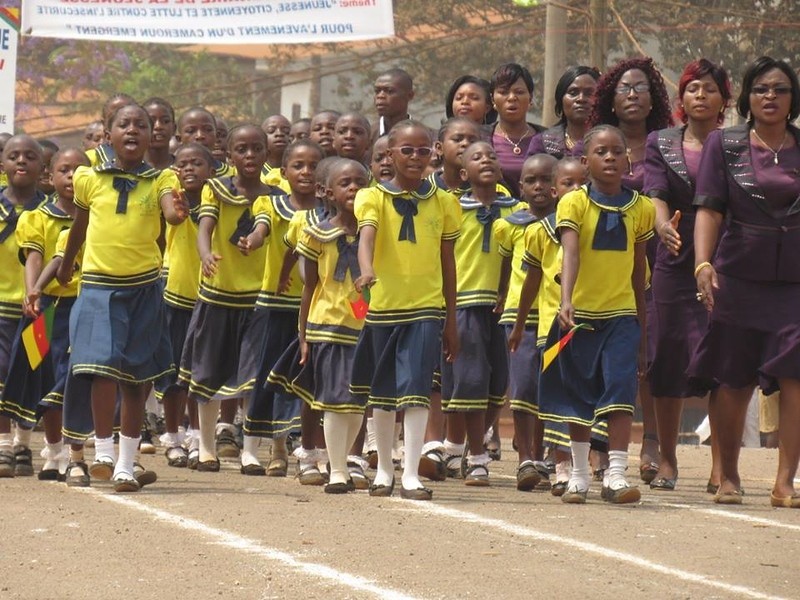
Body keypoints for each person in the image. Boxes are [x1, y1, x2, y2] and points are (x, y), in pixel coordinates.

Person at [689, 56, 800, 508]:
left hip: (794, 285)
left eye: (779, 89)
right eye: (760, 89)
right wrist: (702, 263)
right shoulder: (726, 144)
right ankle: (729, 475)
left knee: (796, 377)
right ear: (747, 98)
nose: (770, 97)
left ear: (793, 99)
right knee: (732, 380)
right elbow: (710, 207)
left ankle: (785, 482)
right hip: (737, 277)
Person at [56, 104, 173, 493]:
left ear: (154, 135)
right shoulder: (89, 178)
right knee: (101, 365)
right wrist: (67, 263)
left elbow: (170, 215)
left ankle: (126, 463)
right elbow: (80, 225)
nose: (134, 130)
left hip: (143, 287)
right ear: (108, 134)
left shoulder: (161, 179)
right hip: (98, 286)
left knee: (136, 378)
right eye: (124, 124)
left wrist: (177, 211)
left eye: (142, 124)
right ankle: (103, 452)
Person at [538, 125, 655, 505]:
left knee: (620, 391)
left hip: (621, 314)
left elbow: (639, 268)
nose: (609, 158)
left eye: (616, 151)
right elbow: (570, 252)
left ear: (628, 159)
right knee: (578, 395)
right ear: (586, 162)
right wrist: (566, 298)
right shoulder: (574, 203)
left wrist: (642, 321)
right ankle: (579, 474)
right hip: (580, 315)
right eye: (601, 152)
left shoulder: (642, 208)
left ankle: (617, 473)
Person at [351, 120, 460, 500]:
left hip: (426, 308)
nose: (415, 157)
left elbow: (449, 264)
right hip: (383, 307)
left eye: (423, 150)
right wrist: (367, 270)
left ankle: (411, 472)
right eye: (406, 150)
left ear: (434, 153)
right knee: (382, 392)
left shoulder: (445, 202)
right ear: (389, 155)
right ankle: (383, 469)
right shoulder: (371, 197)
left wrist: (451, 318)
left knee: (416, 388)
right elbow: (366, 238)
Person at [644, 58, 731, 492]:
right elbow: (656, 193)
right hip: (673, 263)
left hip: (726, 263)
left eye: (710, 88)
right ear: (681, 98)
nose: (701, 95)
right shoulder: (661, 142)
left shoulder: (736, 144)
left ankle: (721, 465)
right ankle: (667, 458)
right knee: (666, 356)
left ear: (724, 100)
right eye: (693, 88)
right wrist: (661, 225)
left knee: (719, 360)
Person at [589, 57, 673, 482]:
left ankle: (652, 439)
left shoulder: (666, 143)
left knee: (648, 351)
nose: (633, 95)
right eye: (624, 88)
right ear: (611, 98)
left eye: (641, 87)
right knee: (604, 353)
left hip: (658, 257)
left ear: (654, 96)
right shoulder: (597, 144)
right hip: (604, 264)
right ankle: (599, 441)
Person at [269, 159, 371, 493]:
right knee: (333, 399)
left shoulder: (376, 232)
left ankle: (344, 460)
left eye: (360, 182)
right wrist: (303, 335)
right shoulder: (317, 234)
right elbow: (310, 287)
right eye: (345, 183)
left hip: (366, 324)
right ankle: (337, 469)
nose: (354, 188)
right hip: (327, 324)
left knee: (358, 401)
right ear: (327, 191)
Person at [177, 124, 270, 473]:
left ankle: (249, 449)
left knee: (251, 374)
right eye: (241, 149)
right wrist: (205, 254)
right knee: (208, 370)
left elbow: (263, 228)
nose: (249, 156)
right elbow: (206, 227)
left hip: (256, 297)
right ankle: (205, 446)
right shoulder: (215, 189)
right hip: (217, 295)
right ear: (228, 155)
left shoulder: (272, 194)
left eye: (256, 149)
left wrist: (256, 240)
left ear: (265, 153)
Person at [0, 148, 89, 482]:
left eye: (79, 170)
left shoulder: (98, 215)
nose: (71, 177)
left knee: (72, 379)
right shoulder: (36, 217)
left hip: (83, 306)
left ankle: (72, 451)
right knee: (40, 378)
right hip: (46, 309)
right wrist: (32, 291)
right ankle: (50, 451)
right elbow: (35, 256)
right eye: (64, 170)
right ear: (50, 178)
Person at [241, 139, 324, 478]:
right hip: (276, 305)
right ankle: (256, 447)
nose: (306, 172)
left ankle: (298, 447)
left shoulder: (328, 209)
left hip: (318, 308)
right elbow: (260, 229)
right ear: (283, 171)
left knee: (306, 378)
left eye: (313, 166)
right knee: (268, 375)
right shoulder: (271, 204)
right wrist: (252, 240)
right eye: (298, 165)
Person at [440, 141, 519, 487]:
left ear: (501, 170)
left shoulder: (518, 210)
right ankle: (477, 457)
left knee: (497, 385)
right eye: (476, 158)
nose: (485, 160)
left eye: (491, 156)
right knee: (470, 381)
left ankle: (461, 448)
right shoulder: (452, 208)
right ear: (462, 173)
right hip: (465, 304)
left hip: (503, 308)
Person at [509, 156, 587, 495]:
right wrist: (518, 324)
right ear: (556, 191)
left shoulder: (595, 227)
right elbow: (531, 282)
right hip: (549, 328)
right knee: (551, 395)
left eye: (580, 184)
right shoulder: (538, 232)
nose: (574, 190)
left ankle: (582, 464)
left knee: (579, 397)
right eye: (567, 184)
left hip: (590, 324)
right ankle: (559, 466)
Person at [498, 153, 557, 490]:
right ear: (520, 187)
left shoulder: (565, 224)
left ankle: (541, 453)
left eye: (547, 179)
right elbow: (505, 267)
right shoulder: (508, 225)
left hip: (552, 314)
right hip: (519, 316)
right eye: (531, 180)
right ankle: (525, 460)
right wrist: (502, 295)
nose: (539, 186)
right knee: (522, 386)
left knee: (548, 386)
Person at [155, 143, 214, 469]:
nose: (189, 169)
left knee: (199, 372)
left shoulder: (218, 198)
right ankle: (173, 435)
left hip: (208, 295)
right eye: (183, 164)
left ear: (212, 169)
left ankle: (196, 435)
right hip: (176, 292)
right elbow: (171, 224)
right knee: (174, 372)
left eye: (197, 163)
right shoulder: (173, 198)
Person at [0, 135, 47, 477]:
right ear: (2, 165)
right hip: (1, 305)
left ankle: (23, 443)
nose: (21, 161)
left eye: (30, 156)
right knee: (1, 374)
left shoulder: (50, 209)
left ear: (42, 167)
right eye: (13, 155)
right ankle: (3, 444)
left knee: (31, 375)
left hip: (40, 309)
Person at [486, 63, 545, 198]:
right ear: (492, 99)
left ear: (530, 98)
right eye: (503, 92)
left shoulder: (548, 140)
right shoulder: (479, 137)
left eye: (519, 92)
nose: (512, 97)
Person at [528, 66, 600, 159]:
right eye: (573, 93)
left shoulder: (612, 140)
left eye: (589, 93)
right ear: (561, 99)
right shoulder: (542, 143)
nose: (581, 99)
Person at [373, 68, 414, 138]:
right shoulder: (366, 138)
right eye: (377, 91)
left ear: (409, 95)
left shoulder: (428, 137)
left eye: (389, 91)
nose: (380, 96)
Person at [260, 114, 292, 194]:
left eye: (286, 131)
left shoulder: (297, 174)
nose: (279, 134)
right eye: (271, 131)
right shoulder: (254, 174)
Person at [143, 97, 176, 170]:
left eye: (165, 121)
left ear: (174, 129)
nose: (158, 126)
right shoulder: (129, 169)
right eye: (151, 121)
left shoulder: (182, 168)